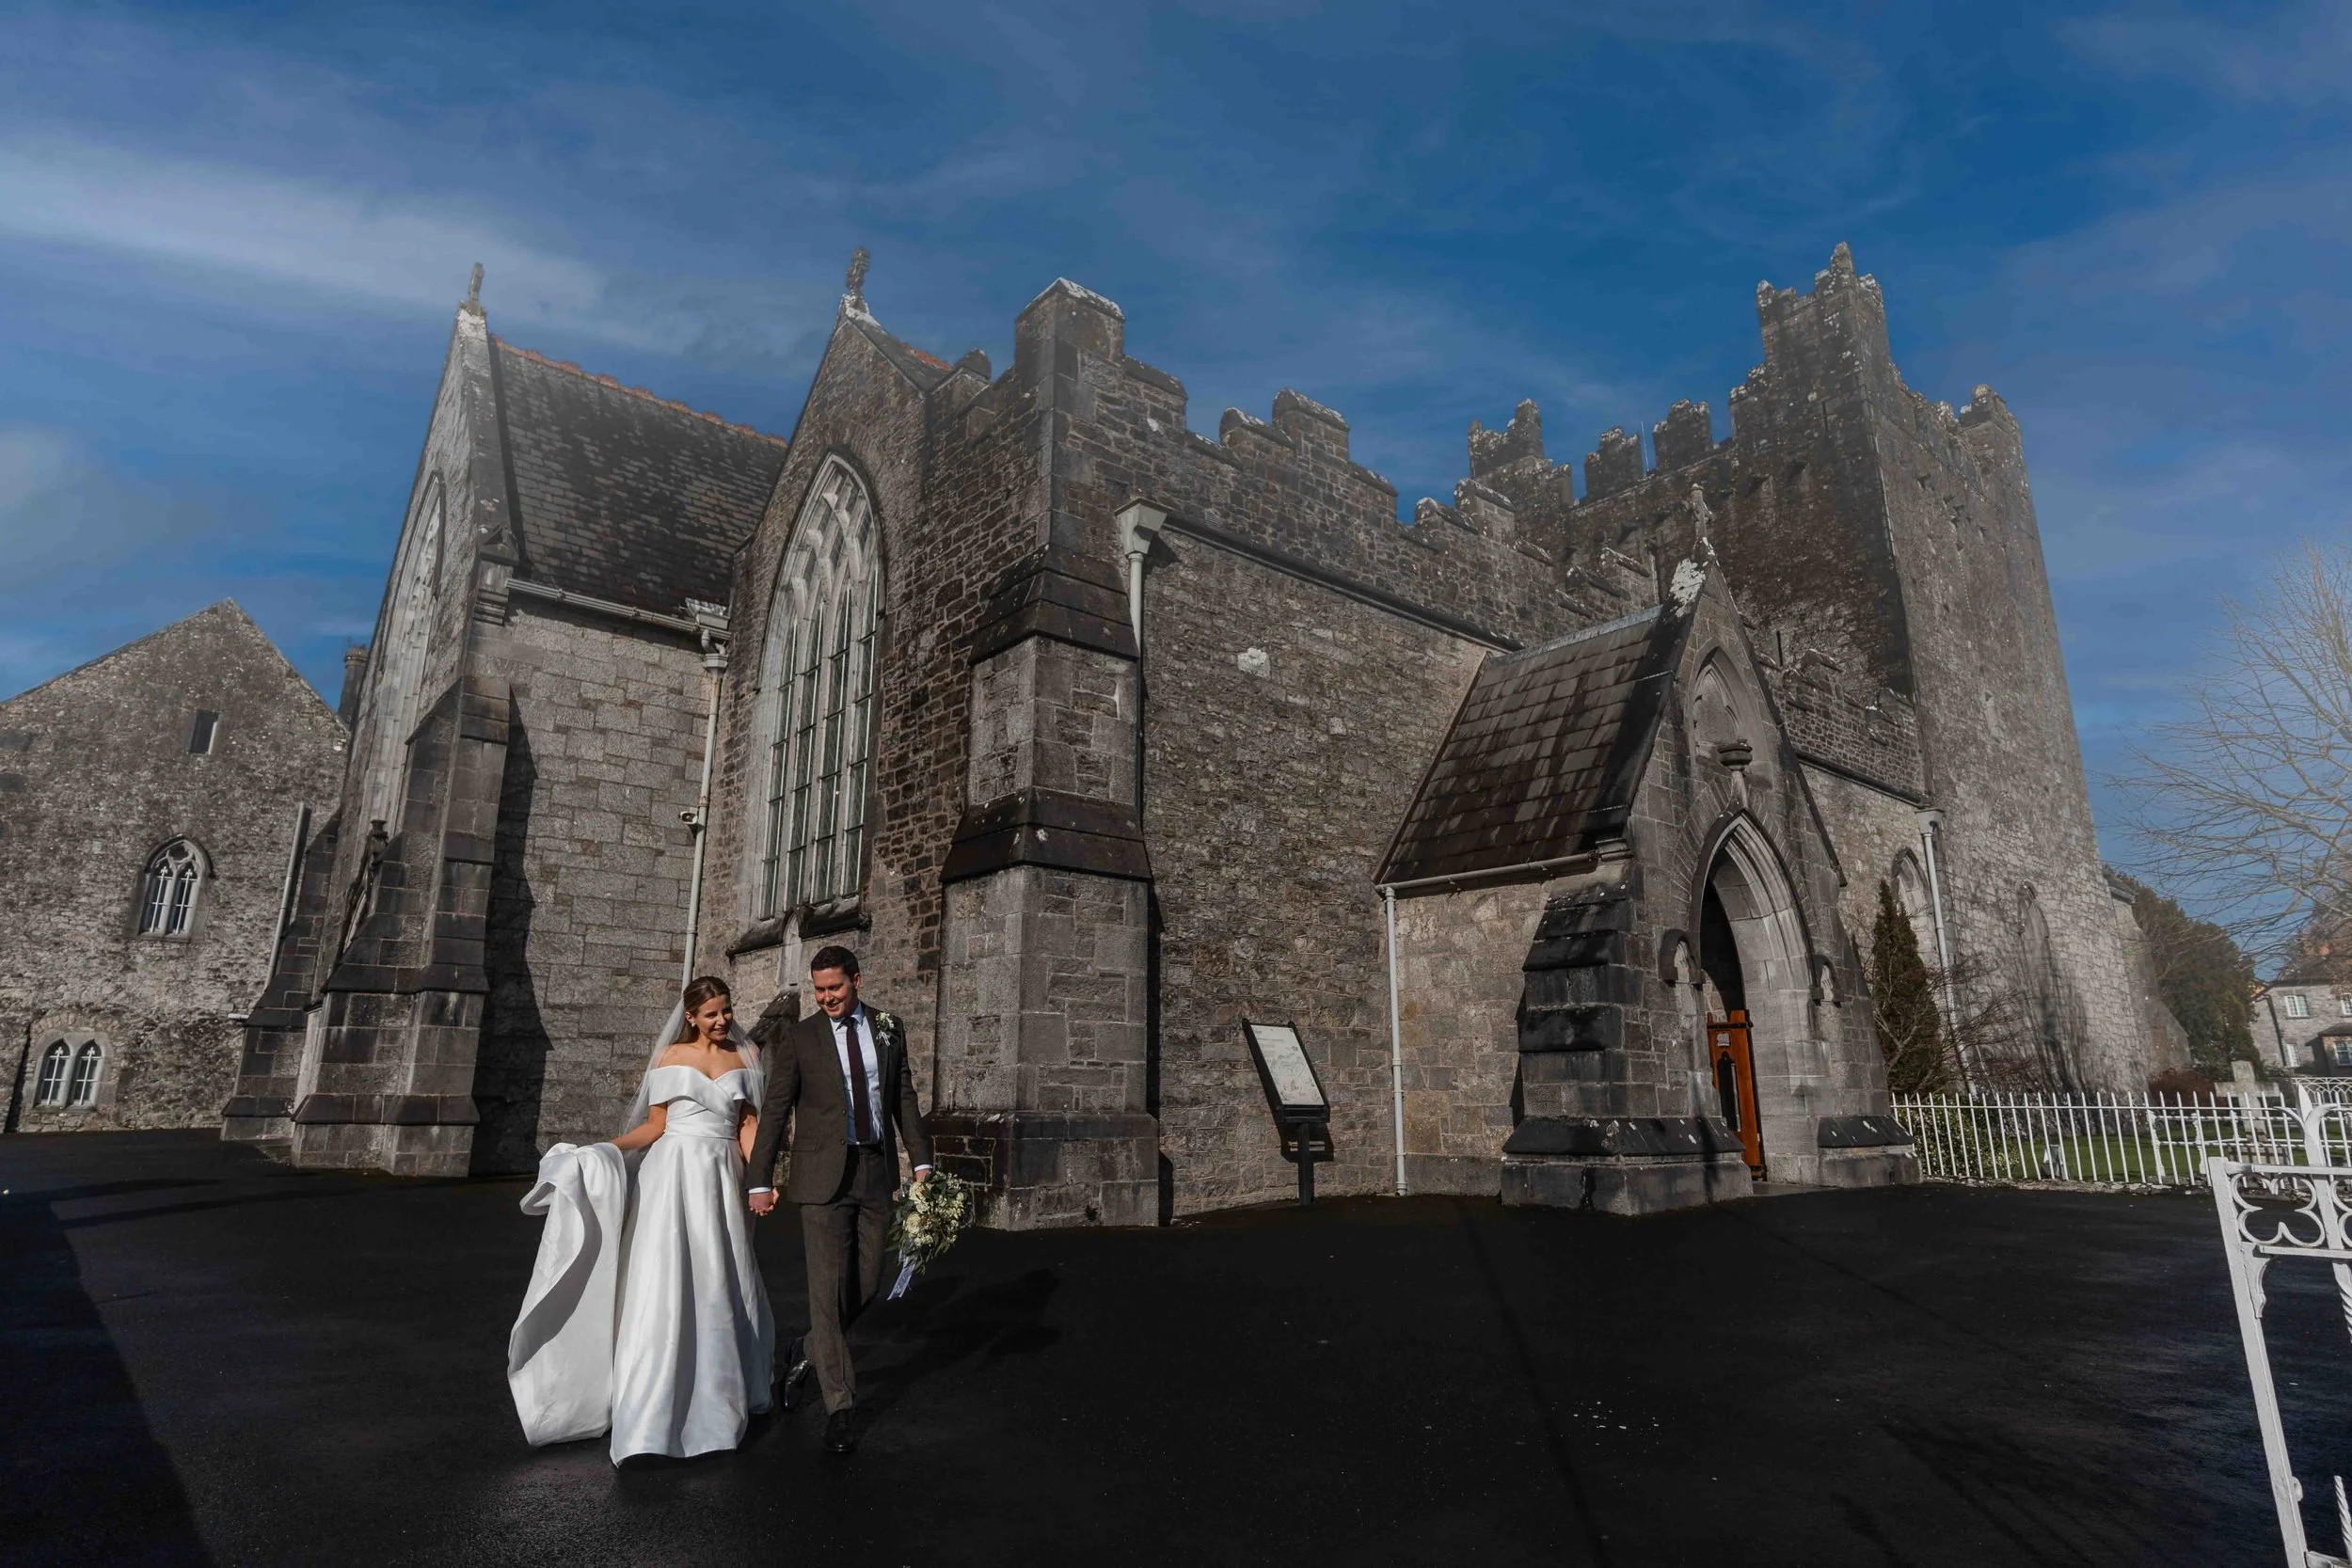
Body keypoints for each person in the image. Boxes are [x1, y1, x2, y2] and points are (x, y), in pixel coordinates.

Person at [507, 975, 774, 1465]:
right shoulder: (671, 1059)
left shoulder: (748, 1058)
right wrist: (603, 1149)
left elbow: (748, 1128)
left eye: (726, 1010)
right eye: (711, 1013)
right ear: (691, 1016)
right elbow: (654, 1126)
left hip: (721, 1176)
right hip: (671, 1174)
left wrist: (761, 1182)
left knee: (721, 1274)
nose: (722, 1020)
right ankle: (653, 1405)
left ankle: (722, 1388)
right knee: (666, 1277)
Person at [746, 944, 933, 1455]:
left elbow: (903, 1096)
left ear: (857, 980)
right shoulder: (801, 1037)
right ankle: (841, 1407)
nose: (827, 997)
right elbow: (776, 1108)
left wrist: (921, 1160)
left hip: (874, 1172)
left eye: (836, 987)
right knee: (826, 1292)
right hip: (819, 1178)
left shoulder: (889, 1028)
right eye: (820, 989)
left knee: (868, 1283)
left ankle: (805, 1349)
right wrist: (758, 1178)